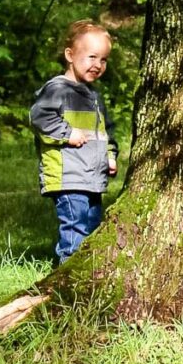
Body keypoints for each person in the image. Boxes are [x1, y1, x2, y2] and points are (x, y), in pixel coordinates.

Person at [30, 20, 119, 263]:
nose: (98, 65)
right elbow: (40, 116)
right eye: (92, 57)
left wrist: (110, 155)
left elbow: (106, 131)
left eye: (103, 59)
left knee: (91, 227)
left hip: (92, 177)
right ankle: (66, 273)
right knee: (75, 229)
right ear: (70, 55)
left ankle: (85, 271)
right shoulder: (58, 89)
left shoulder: (94, 96)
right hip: (68, 176)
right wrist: (68, 134)